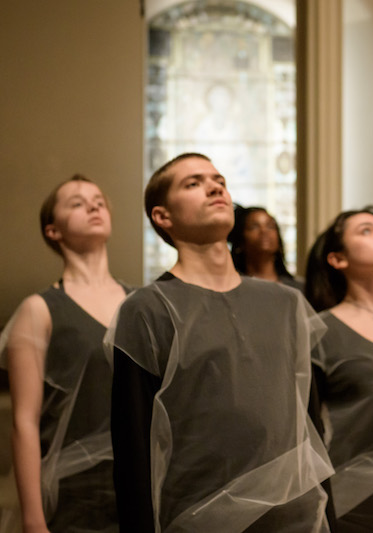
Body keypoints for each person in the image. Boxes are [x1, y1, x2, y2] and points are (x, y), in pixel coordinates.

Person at [108, 153, 334, 533]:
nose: (215, 187)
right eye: (193, 183)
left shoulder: (285, 302)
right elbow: (133, 450)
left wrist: (328, 516)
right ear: (163, 216)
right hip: (198, 517)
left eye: (219, 181)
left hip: (295, 517)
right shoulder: (146, 309)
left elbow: (309, 426)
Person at [0, 175, 127, 532]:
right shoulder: (38, 309)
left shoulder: (140, 305)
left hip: (137, 483)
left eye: (99, 199)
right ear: (53, 230)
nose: (94, 205)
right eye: (76, 202)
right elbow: (24, 422)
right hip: (72, 492)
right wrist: (33, 519)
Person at [305, 206, 373, 532]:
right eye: (366, 230)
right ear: (337, 259)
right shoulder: (318, 332)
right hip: (357, 502)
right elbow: (305, 430)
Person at [228, 205, 304, 291]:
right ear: (240, 242)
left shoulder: (300, 288)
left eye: (270, 226)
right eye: (254, 227)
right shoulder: (231, 287)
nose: (264, 231)